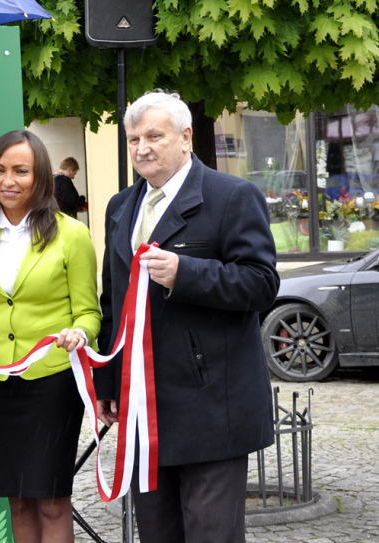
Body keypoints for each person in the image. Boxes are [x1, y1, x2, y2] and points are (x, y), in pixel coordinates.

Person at [94, 91, 279, 543]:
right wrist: (108, 382)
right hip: (144, 410)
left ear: (186, 137)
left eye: (154, 136)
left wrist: (186, 273)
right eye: (133, 138)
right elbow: (112, 303)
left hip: (212, 407)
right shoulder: (121, 207)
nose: (142, 148)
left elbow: (261, 283)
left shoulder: (232, 196)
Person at [0, 130, 101, 543]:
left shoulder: (71, 235)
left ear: (40, 176)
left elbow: (88, 312)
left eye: (21, 171)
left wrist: (79, 333)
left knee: (50, 500)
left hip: (53, 382)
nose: (8, 181)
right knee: (18, 501)